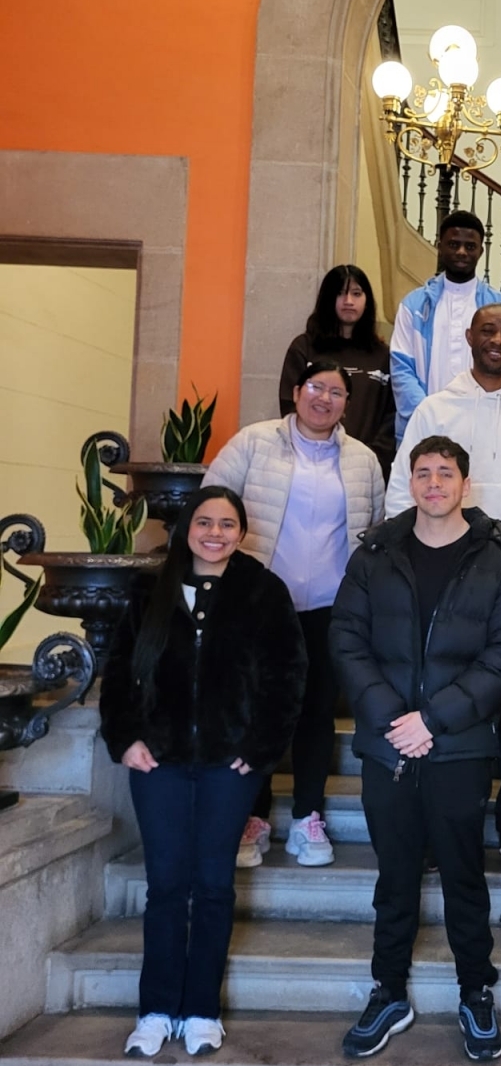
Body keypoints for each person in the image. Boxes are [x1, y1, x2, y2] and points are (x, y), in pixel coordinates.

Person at [331, 436, 501, 1063]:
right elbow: (347, 638)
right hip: (388, 745)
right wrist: (395, 719)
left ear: (465, 484)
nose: (434, 483)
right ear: (410, 483)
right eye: (424, 473)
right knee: (394, 878)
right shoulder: (376, 553)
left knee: (464, 875)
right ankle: (389, 992)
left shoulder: (497, 560)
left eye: (446, 473)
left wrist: (434, 720)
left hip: (458, 748)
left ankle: (476, 991)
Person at [99, 487, 306, 1058]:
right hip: (158, 763)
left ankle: (201, 1011)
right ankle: (155, 1010)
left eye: (227, 524)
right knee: (166, 885)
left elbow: (287, 677)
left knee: (213, 886)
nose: (215, 533)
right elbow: (118, 672)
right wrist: (125, 739)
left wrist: (259, 747)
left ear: (242, 532)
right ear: (186, 527)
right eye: (205, 522)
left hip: (228, 766)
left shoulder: (264, 591)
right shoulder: (149, 589)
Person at [388, 303, 501, 874]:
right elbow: (402, 488)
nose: (497, 340)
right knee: (444, 705)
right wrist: (410, 564)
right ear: (469, 336)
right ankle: (434, 828)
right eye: (487, 330)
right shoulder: (435, 408)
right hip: (445, 578)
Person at [204, 359, 385, 868]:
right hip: (260, 605)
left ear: (347, 403)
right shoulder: (253, 442)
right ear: (297, 391)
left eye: (336, 392)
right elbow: (209, 506)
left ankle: (308, 816)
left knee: (316, 711)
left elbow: (374, 529)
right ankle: (252, 815)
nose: (324, 399)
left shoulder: (363, 460)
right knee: (255, 708)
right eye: (316, 387)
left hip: (330, 606)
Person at [389, 209, 501, 442]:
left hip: (484, 430)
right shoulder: (414, 305)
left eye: (470, 246)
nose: (462, 252)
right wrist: (427, 418)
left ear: (481, 251)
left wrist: (481, 417)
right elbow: (402, 369)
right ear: (440, 246)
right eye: (453, 244)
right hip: (424, 429)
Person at [278, 263, 395, 475]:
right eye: (340, 293)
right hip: (309, 464)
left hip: (366, 468)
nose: (348, 301)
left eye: (356, 293)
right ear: (327, 299)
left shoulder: (383, 356)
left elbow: (391, 417)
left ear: (367, 300)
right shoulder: (304, 348)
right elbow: (290, 405)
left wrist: (369, 459)